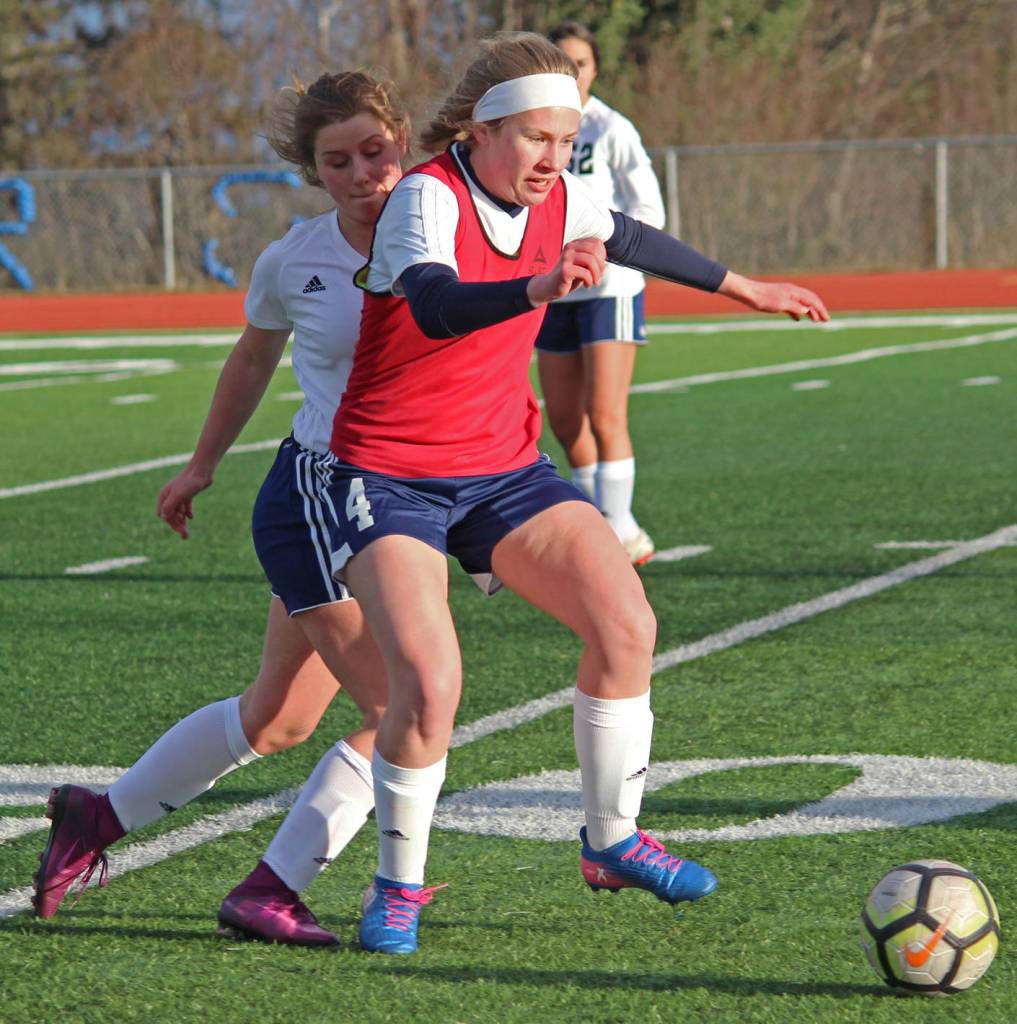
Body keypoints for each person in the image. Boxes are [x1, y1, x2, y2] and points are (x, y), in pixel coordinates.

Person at [319, 31, 829, 955]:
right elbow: (433, 304)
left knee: (627, 626)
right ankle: (396, 888)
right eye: (534, 139)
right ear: (481, 129)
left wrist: (745, 288)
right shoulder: (423, 200)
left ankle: (612, 841)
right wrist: (534, 288)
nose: (553, 159)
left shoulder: (565, 192)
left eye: (565, 139)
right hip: (388, 473)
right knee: (429, 687)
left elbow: (630, 235)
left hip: (502, 469)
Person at [31, 71, 410, 947]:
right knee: (407, 712)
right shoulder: (294, 258)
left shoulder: (447, 235)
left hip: (400, 502)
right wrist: (200, 466)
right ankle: (273, 887)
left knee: (276, 717)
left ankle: (95, 819)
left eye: (375, 152)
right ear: (314, 172)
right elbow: (250, 359)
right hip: (323, 503)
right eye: (337, 161)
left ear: (403, 144)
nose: (362, 174)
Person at [536, 21, 665, 566]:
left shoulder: (612, 129)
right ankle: (604, 523)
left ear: (595, 70)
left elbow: (649, 211)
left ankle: (620, 528)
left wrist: (604, 252)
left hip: (608, 287)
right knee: (565, 421)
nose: (572, 74)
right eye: (560, 65)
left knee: (605, 414)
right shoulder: (530, 128)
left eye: (580, 65)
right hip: (549, 289)